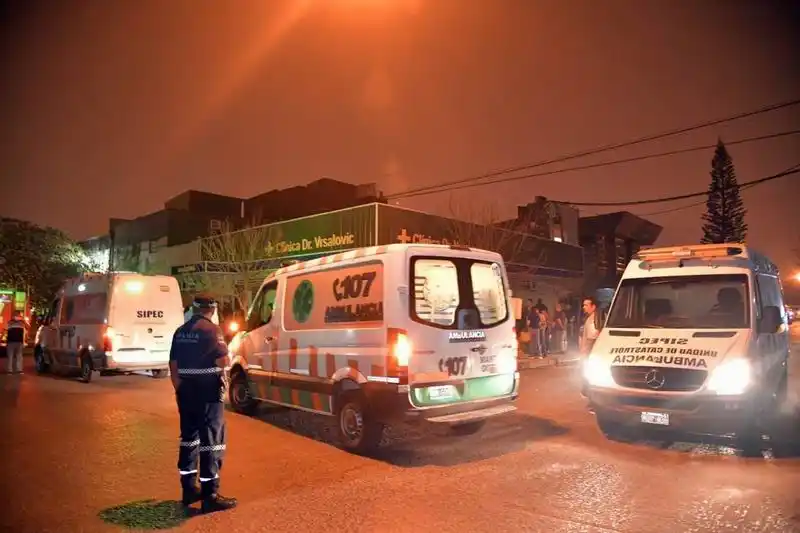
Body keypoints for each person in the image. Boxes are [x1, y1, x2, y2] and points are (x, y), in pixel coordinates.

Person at [169, 294, 237, 513]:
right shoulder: (212, 330)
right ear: (212, 309)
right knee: (212, 441)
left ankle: (189, 489)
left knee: (189, 438)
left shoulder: (180, 332)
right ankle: (210, 495)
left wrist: (179, 388)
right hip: (207, 393)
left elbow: (173, 364)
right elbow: (222, 361)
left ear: (194, 309)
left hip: (186, 391)